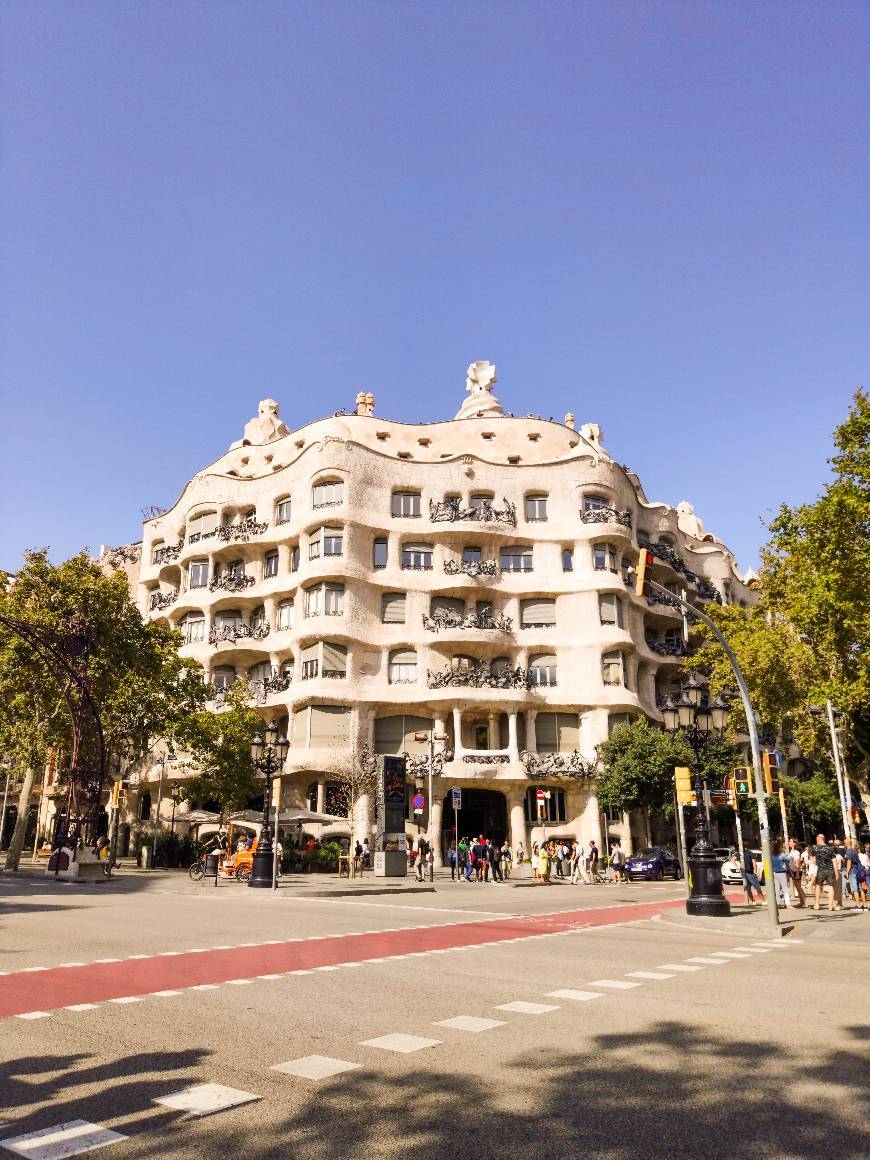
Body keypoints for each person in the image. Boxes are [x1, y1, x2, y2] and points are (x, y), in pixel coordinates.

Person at [811, 833, 838, 912]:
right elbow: (834, 860)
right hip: (830, 870)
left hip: (821, 870)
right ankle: (830, 906)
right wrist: (836, 872)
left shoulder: (815, 847)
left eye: (816, 838)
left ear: (819, 839)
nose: (816, 839)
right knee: (831, 887)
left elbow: (811, 856)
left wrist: (815, 862)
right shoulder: (830, 848)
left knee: (818, 886)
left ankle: (816, 904)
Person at [842, 838, 864, 910]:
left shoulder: (849, 851)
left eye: (844, 843)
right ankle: (863, 903)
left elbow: (849, 862)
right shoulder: (854, 850)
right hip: (857, 870)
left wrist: (847, 873)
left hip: (852, 871)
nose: (844, 845)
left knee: (854, 888)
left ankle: (858, 904)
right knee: (859, 887)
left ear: (846, 844)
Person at [771, 839, 792, 909]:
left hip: (774, 873)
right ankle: (788, 904)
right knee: (785, 889)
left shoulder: (772, 855)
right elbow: (790, 858)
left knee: (777, 889)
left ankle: (778, 903)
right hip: (782, 873)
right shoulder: (782, 855)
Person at [787, 838, 806, 907]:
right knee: (797, 887)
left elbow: (797, 863)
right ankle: (802, 902)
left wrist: (797, 874)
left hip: (796, 871)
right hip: (793, 871)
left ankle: (803, 902)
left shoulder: (795, 852)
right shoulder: (791, 851)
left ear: (794, 843)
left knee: (798, 887)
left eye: (790, 841)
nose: (789, 842)